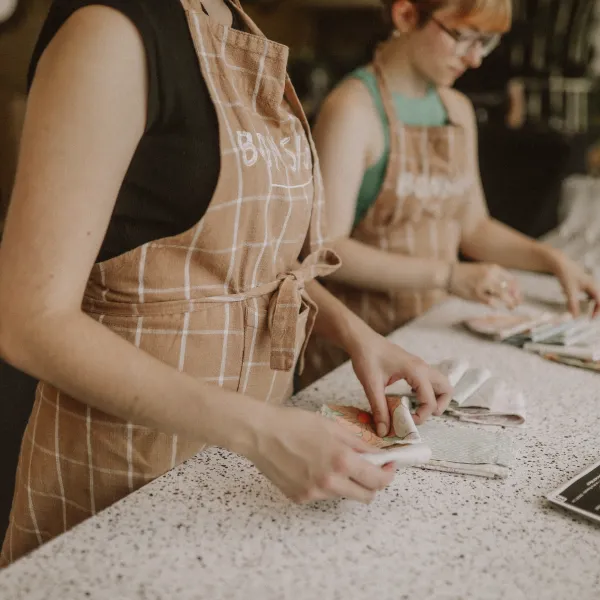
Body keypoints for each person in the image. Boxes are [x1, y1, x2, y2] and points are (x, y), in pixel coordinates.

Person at [0, 0, 452, 564]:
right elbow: (29, 319)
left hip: (241, 472)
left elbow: (246, 258)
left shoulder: (234, 24)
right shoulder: (110, 30)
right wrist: (262, 432)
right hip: (126, 476)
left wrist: (357, 334)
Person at [301, 0, 600, 386]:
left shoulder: (456, 109)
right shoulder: (353, 109)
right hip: (358, 352)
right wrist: (447, 275)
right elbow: (328, 250)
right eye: (465, 38)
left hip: (429, 331)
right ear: (406, 16)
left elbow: (473, 226)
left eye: (486, 43)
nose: (475, 59)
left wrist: (552, 259)